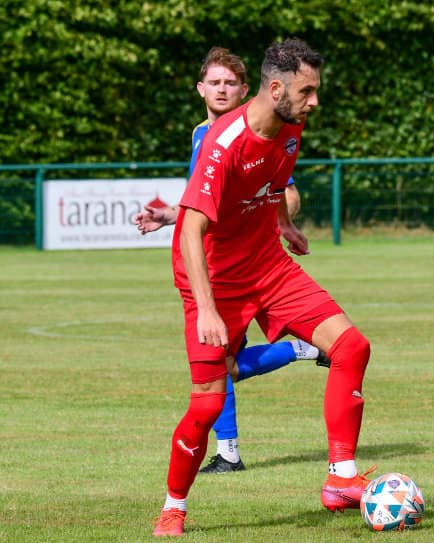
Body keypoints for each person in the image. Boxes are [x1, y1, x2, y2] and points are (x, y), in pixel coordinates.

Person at [154, 38, 374, 536]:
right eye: (306, 91)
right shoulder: (222, 143)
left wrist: (284, 224)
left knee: (352, 347)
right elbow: (190, 230)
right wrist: (207, 309)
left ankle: (341, 478)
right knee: (207, 404)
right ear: (275, 89)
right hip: (215, 282)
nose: (314, 101)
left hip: (269, 267)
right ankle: (173, 506)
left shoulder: (290, 125)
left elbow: (274, 182)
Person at [135, 47, 327, 476]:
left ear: (246, 89)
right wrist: (169, 216)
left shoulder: (262, 130)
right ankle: (230, 450)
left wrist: (280, 221)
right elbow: (204, 206)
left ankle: (230, 449)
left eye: (230, 83)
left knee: (221, 366)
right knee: (224, 365)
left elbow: (284, 191)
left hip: (248, 268)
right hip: (214, 265)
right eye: (214, 82)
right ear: (200, 88)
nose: (222, 90)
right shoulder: (202, 134)